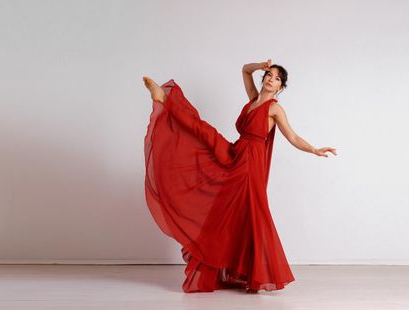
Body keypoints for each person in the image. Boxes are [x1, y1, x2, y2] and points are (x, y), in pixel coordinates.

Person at [143, 59, 337, 294]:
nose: (270, 79)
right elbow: (245, 70)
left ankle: (253, 274)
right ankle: (164, 98)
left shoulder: (275, 109)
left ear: (280, 87)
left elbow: (293, 138)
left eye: (276, 78)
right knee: (205, 132)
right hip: (237, 152)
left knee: (246, 214)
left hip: (250, 165)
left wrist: (315, 149)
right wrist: (260, 65)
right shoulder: (253, 100)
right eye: (269, 75)